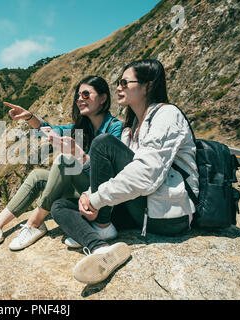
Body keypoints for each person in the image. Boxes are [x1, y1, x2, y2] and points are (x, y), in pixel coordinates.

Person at [51, 59, 199, 284]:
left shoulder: (167, 115)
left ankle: (100, 228)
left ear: (147, 85)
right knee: (60, 207)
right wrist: (89, 194)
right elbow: (115, 174)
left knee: (103, 143)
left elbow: (145, 176)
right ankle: (100, 247)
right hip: (140, 208)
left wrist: (96, 199)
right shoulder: (131, 128)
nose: (118, 87)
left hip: (167, 214)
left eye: (124, 82)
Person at [0, 75, 123, 250]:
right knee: (38, 175)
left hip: (102, 198)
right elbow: (51, 129)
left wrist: (80, 156)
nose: (79, 99)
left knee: (65, 160)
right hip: (83, 190)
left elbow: (110, 172)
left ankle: (35, 223)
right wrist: (29, 117)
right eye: (77, 96)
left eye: (86, 95)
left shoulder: (115, 127)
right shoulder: (81, 128)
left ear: (103, 98)